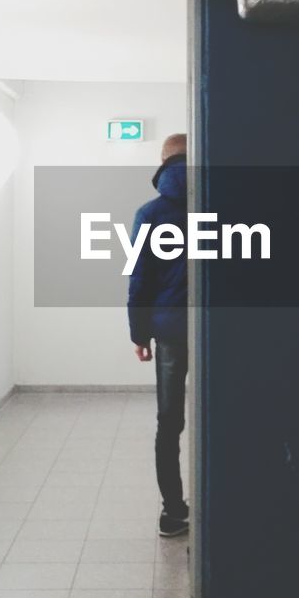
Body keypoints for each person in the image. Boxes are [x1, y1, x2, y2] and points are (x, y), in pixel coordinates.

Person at [128, 132, 189, 537]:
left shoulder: (149, 213)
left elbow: (139, 279)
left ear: (163, 162)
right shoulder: (222, 205)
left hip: (169, 330)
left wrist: (139, 333)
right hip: (217, 332)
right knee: (223, 413)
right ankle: (227, 497)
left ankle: (173, 512)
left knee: (169, 421)